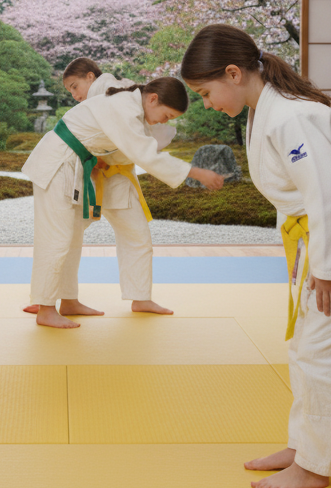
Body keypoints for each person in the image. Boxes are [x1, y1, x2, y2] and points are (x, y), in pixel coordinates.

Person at [181, 24, 331, 488]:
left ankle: (316, 464)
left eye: (205, 92)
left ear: (234, 73)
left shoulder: (288, 117)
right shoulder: (267, 110)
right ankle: (304, 445)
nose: (207, 103)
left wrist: (328, 268)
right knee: (304, 346)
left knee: (325, 353)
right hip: (317, 238)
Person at [21, 76, 225, 328]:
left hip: (79, 165)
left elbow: (143, 149)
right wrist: (198, 172)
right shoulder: (125, 107)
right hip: (58, 163)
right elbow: (146, 154)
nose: (165, 121)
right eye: (167, 115)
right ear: (152, 99)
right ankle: (45, 309)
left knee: (73, 238)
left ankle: (71, 301)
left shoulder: (133, 106)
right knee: (57, 238)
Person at [20, 58, 178, 316]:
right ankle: (49, 298)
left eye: (74, 86)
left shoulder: (121, 93)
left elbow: (155, 134)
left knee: (135, 234)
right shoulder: (99, 103)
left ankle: (139, 297)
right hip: (80, 172)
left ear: (91, 77)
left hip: (116, 174)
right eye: (69, 90)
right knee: (62, 238)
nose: (73, 94)